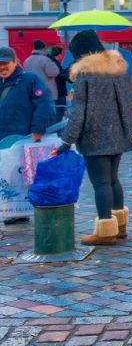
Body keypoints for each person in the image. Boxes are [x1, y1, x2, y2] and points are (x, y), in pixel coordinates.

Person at [57, 30, 132, 246]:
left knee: (101, 183)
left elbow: (78, 113)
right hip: (118, 134)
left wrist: (66, 141)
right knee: (113, 180)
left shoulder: (86, 76)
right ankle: (120, 227)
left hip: (94, 136)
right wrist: (127, 130)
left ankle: (105, 231)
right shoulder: (121, 72)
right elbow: (130, 106)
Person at [0, 46, 54, 226]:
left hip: (23, 136)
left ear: (15, 62)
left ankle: (22, 210)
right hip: (3, 136)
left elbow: (43, 104)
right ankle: (12, 210)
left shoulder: (30, 80)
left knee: (23, 175)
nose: (2, 67)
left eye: (5, 63)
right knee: (6, 175)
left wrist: (38, 129)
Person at [23, 40, 60, 104]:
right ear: (43, 49)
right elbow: (53, 73)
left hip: (32, 92)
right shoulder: (45, 60)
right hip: (46, 92)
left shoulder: (27, 60)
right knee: (49, 112)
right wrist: (53, 62)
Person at [46, 46, 68, 122]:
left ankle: (58, 130)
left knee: (59, 111)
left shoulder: (53, 63)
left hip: (58, 91)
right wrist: (67, 75)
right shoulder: (54, 64)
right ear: (57, 55)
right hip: (59, 91)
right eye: (61, 54)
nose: (61, 56)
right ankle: (58, 131)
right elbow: (59, 76)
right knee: (60, 111)